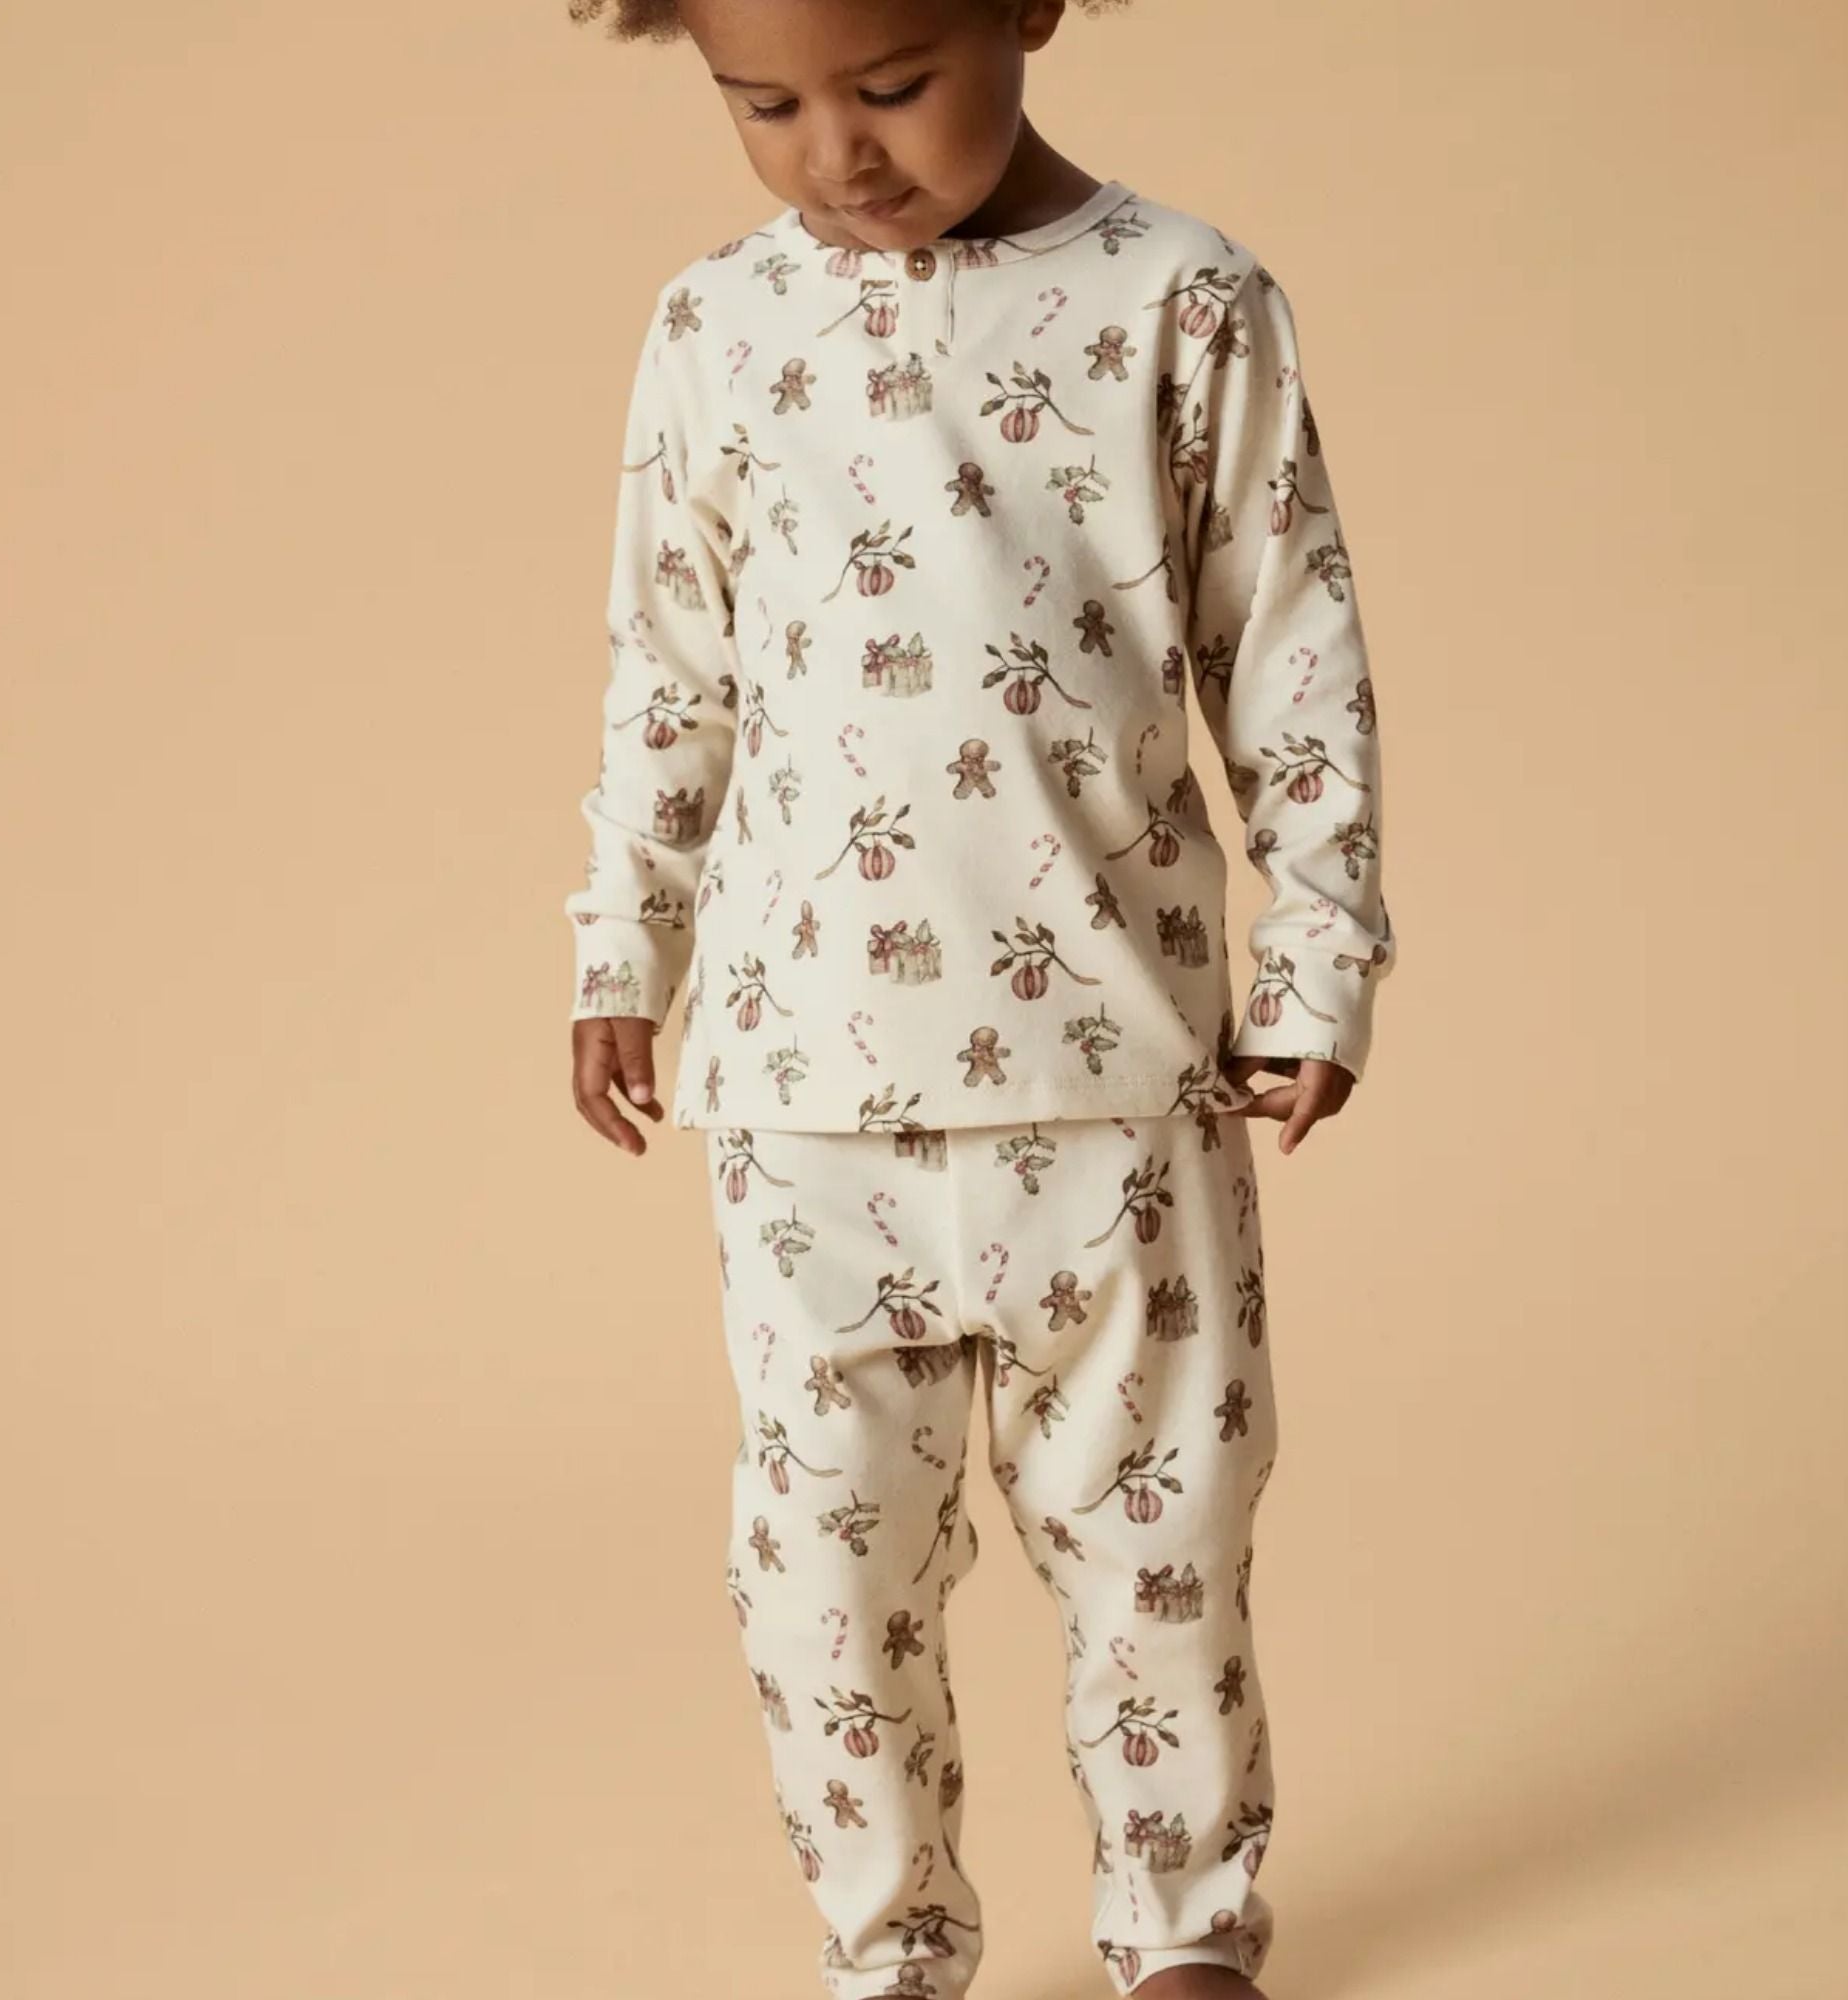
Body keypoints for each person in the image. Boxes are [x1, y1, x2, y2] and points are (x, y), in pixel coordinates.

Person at [561, 5, 1399, 1996]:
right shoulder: (714, 328)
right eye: (764, 104)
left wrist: (1320, 959)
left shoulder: (1183, 301)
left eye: (890, 86)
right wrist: (622, 944)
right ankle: (890, 1948)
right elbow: (670, 666)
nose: (833, 151)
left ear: (1029, 4)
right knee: (823, 1581)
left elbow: (1287, 644)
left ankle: (1185, 1932)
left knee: (1164, 1543)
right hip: (798, 1101)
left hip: (1122, 1081)